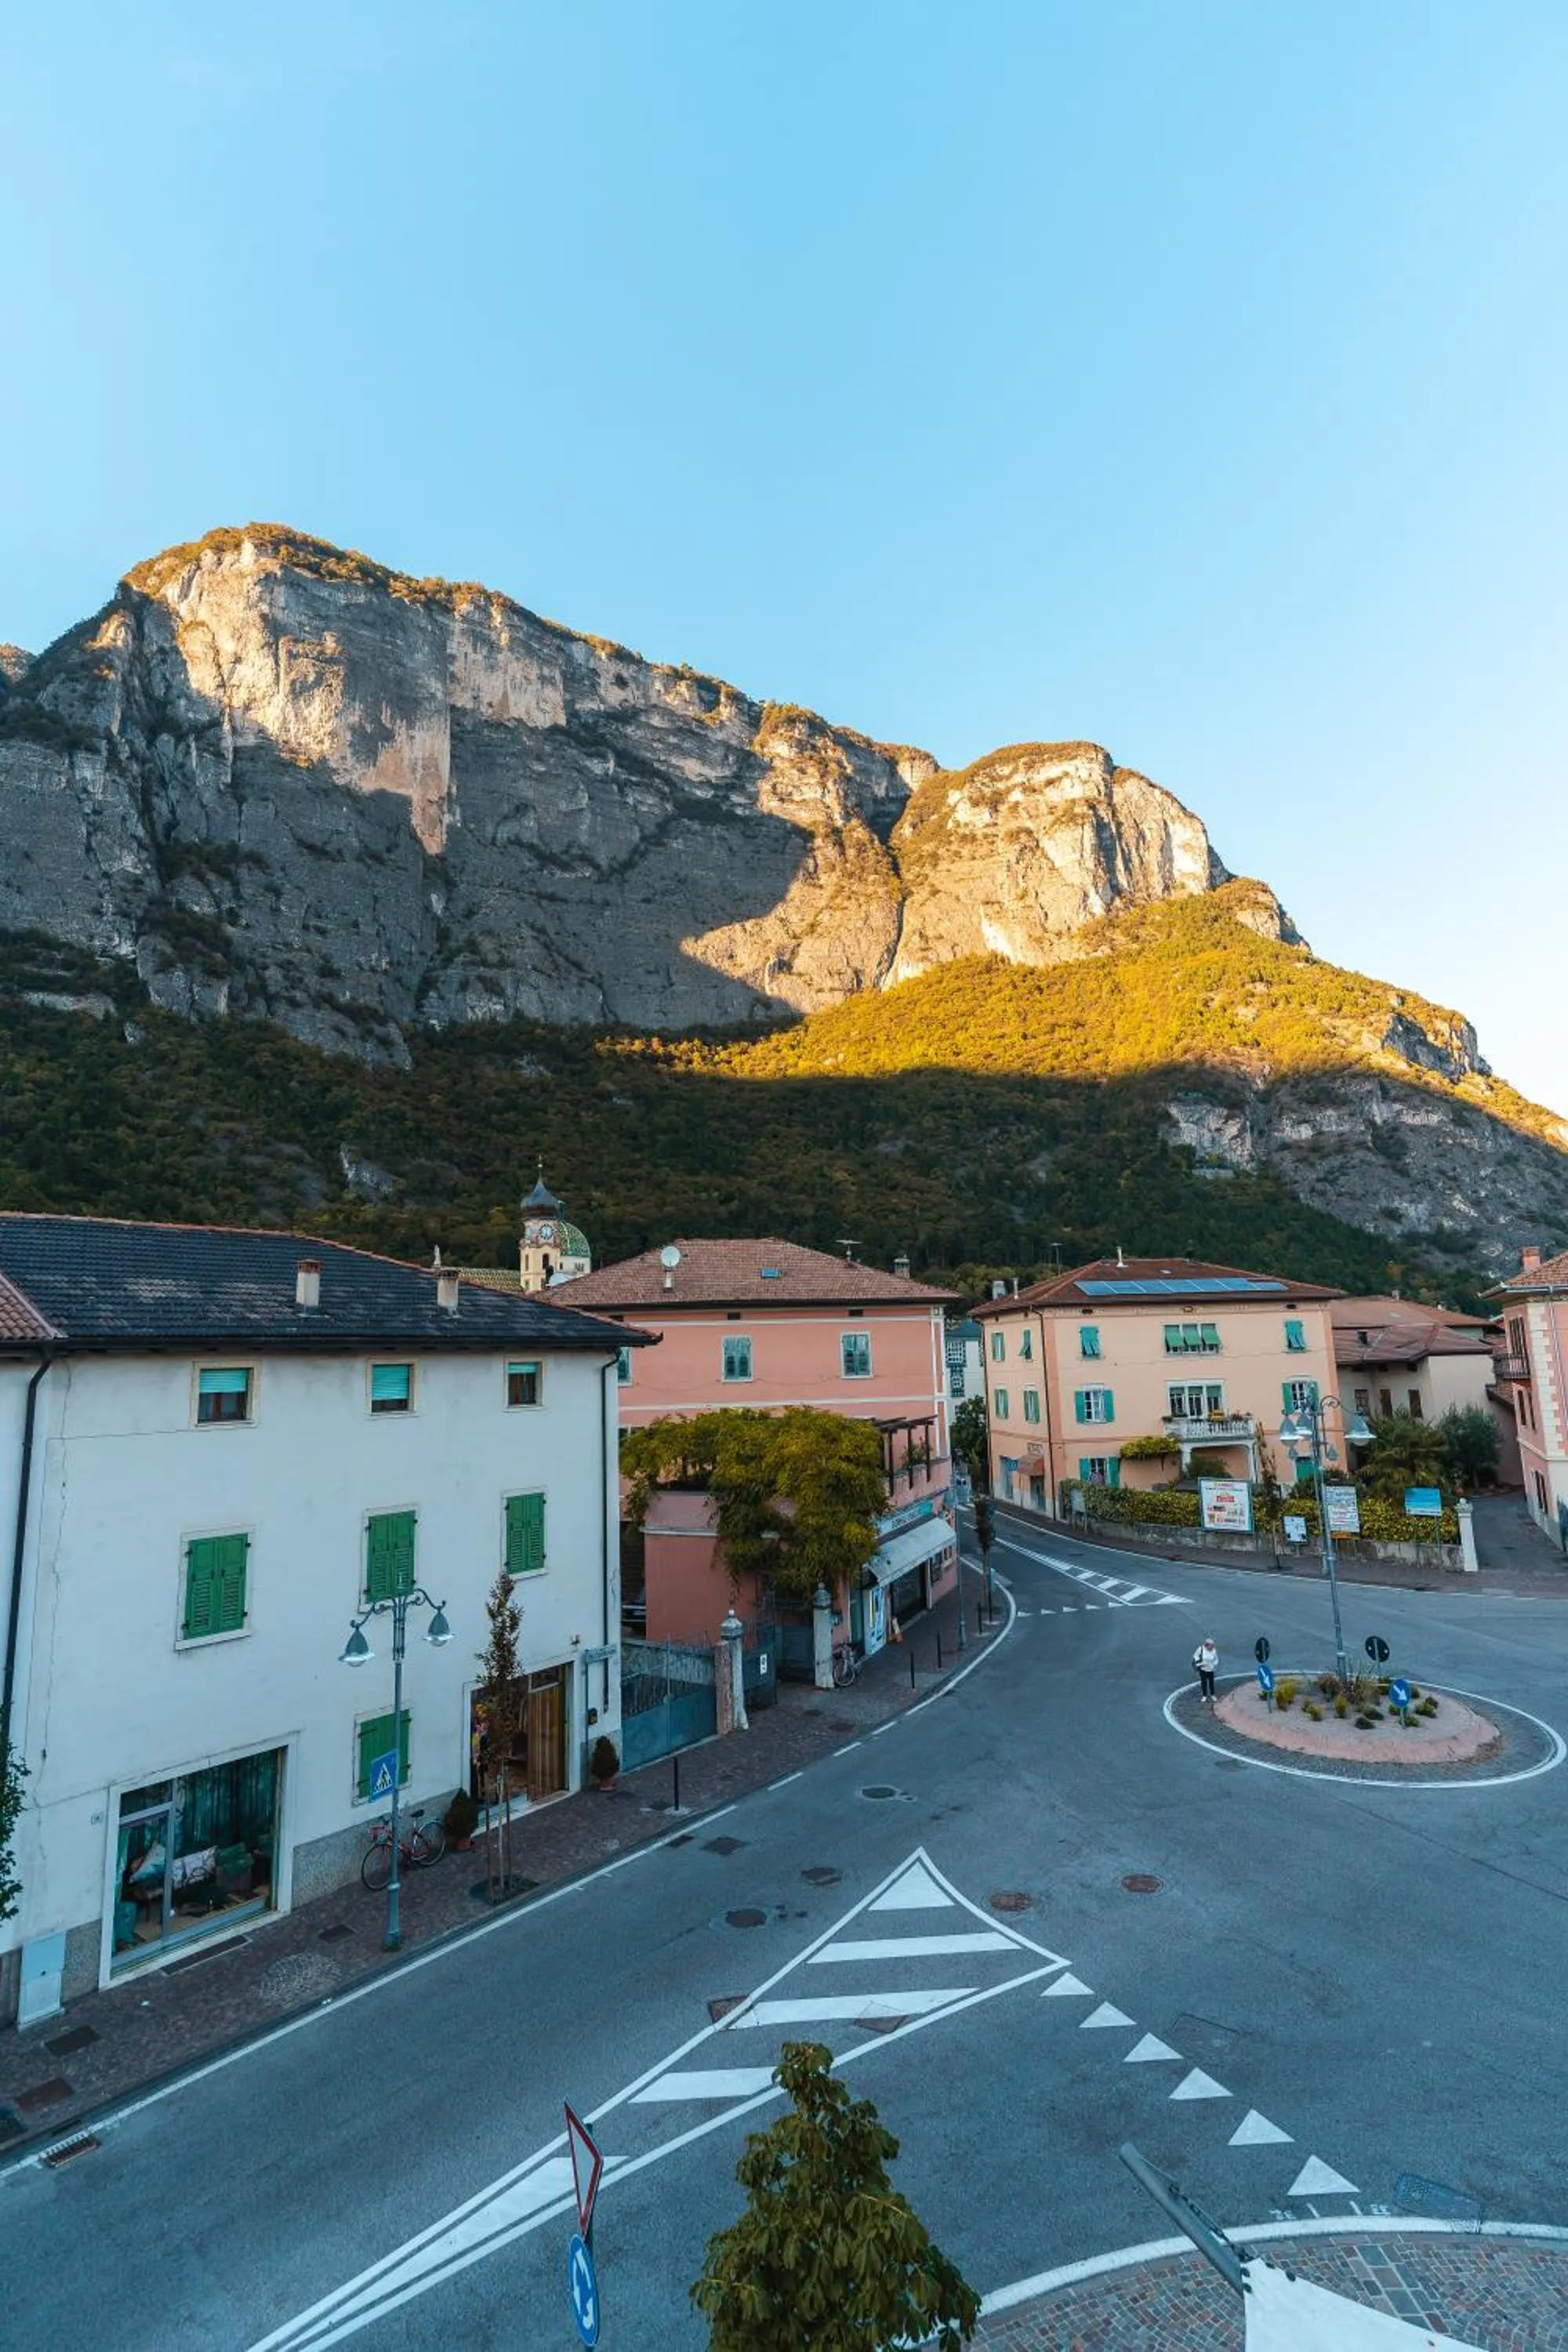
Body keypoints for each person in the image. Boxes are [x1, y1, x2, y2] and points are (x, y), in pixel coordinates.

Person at [1192, 1636, 1219, 1704]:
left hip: (1211, 1669)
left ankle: (1212, 1695)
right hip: (1203, 1669)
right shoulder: (1201, 1649)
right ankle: (1204, 1696)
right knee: (1204, 1683)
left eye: (1213, 1646)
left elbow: (1216, 1659)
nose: (1212, 1647)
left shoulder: (1214, 1650)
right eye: (1211, 1646)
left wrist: (1214, 1665)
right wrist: (1200, 1663)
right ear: (1207, 1645)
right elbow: (1195, 1656)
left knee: (1211, 1683)